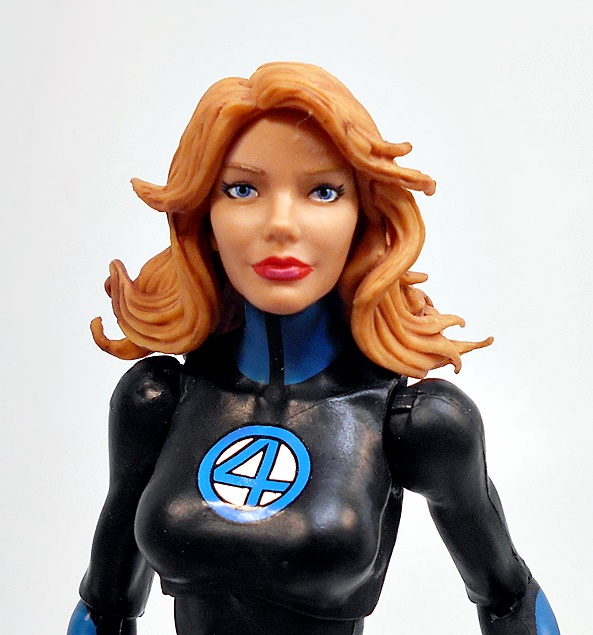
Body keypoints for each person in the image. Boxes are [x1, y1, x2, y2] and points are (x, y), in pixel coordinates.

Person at [67, 62, 560, 635]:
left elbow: (507, 596)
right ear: (205, 217)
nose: (281, 224)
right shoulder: (159, 401)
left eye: (323, 191)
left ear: (362, 218)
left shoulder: (416, 423)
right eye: (242, 189)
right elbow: (106, 603)